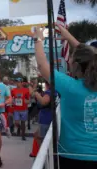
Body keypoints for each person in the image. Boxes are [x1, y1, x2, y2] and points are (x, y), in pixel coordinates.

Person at [33, 24, 97, 169]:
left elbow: (43, 66)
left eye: (72, 60)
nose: (69, 61)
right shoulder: (72, 86)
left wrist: (37, 39)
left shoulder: (70, 87)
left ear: (77, 65)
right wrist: (70, 39)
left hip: (73, 155)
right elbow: (92, 57)